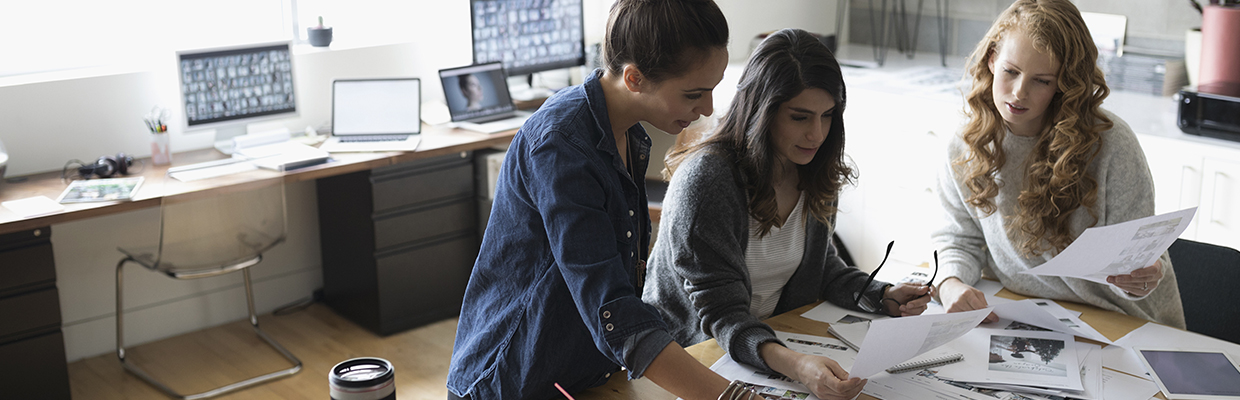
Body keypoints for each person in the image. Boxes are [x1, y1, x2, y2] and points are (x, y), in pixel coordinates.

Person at [447, 1, 755, 399]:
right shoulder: (561, 145)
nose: (708, 108)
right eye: (695, 94)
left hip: (582, 375)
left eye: (713, 90)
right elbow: (611, 306)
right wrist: (735, 396)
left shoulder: (629, 133)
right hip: (512, 379)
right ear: (634, 78)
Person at [643, 28, 933, 400]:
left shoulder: (810, 168)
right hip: (695, 363)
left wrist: (882, 295)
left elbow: (821, 269)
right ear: (761, 111)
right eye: (800, 117)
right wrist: (797, 364)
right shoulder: (708, 181)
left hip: (767, 346)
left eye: (828, 116)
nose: (817, 133)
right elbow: (721, 318)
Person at [932, 0, 1185, 328]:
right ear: (992, 60)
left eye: (1042, 81)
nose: (1019, 92)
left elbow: (1138, 264)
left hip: (1119, 320)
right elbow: (959, 239)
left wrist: (1140, 277)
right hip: (1025, 312)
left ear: (1065, 83)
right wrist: (949, 284)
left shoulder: (1111, 144)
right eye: (1011, 71)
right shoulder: (966, 144)